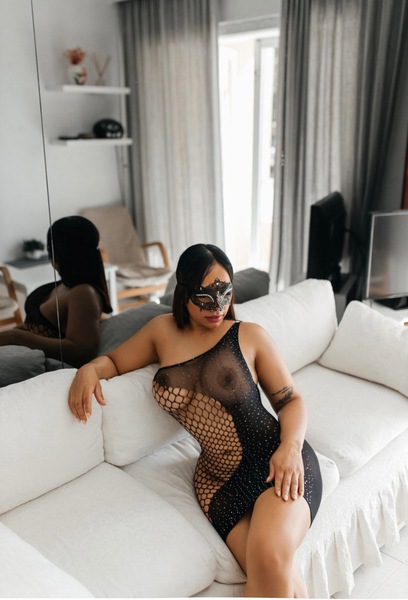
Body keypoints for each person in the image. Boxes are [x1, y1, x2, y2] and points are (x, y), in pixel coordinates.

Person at [68, 243, 322, 598]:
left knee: (268, 557)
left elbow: (292, 400)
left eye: (225, 293)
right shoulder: (161, 331)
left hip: (274, 458)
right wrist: (88, 370)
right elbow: (112, 362)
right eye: (204, 297)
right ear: (183, 292)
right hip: (216, 482)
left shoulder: (249, 335)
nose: (217, 306)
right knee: (271, 572)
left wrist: (290, 448)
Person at [0, 216, 113, 368]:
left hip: (44, 367)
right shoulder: (67, 285)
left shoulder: (84, 293)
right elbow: (34, 324)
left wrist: (16, 337)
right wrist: (14, 333)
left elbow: (81, 351)